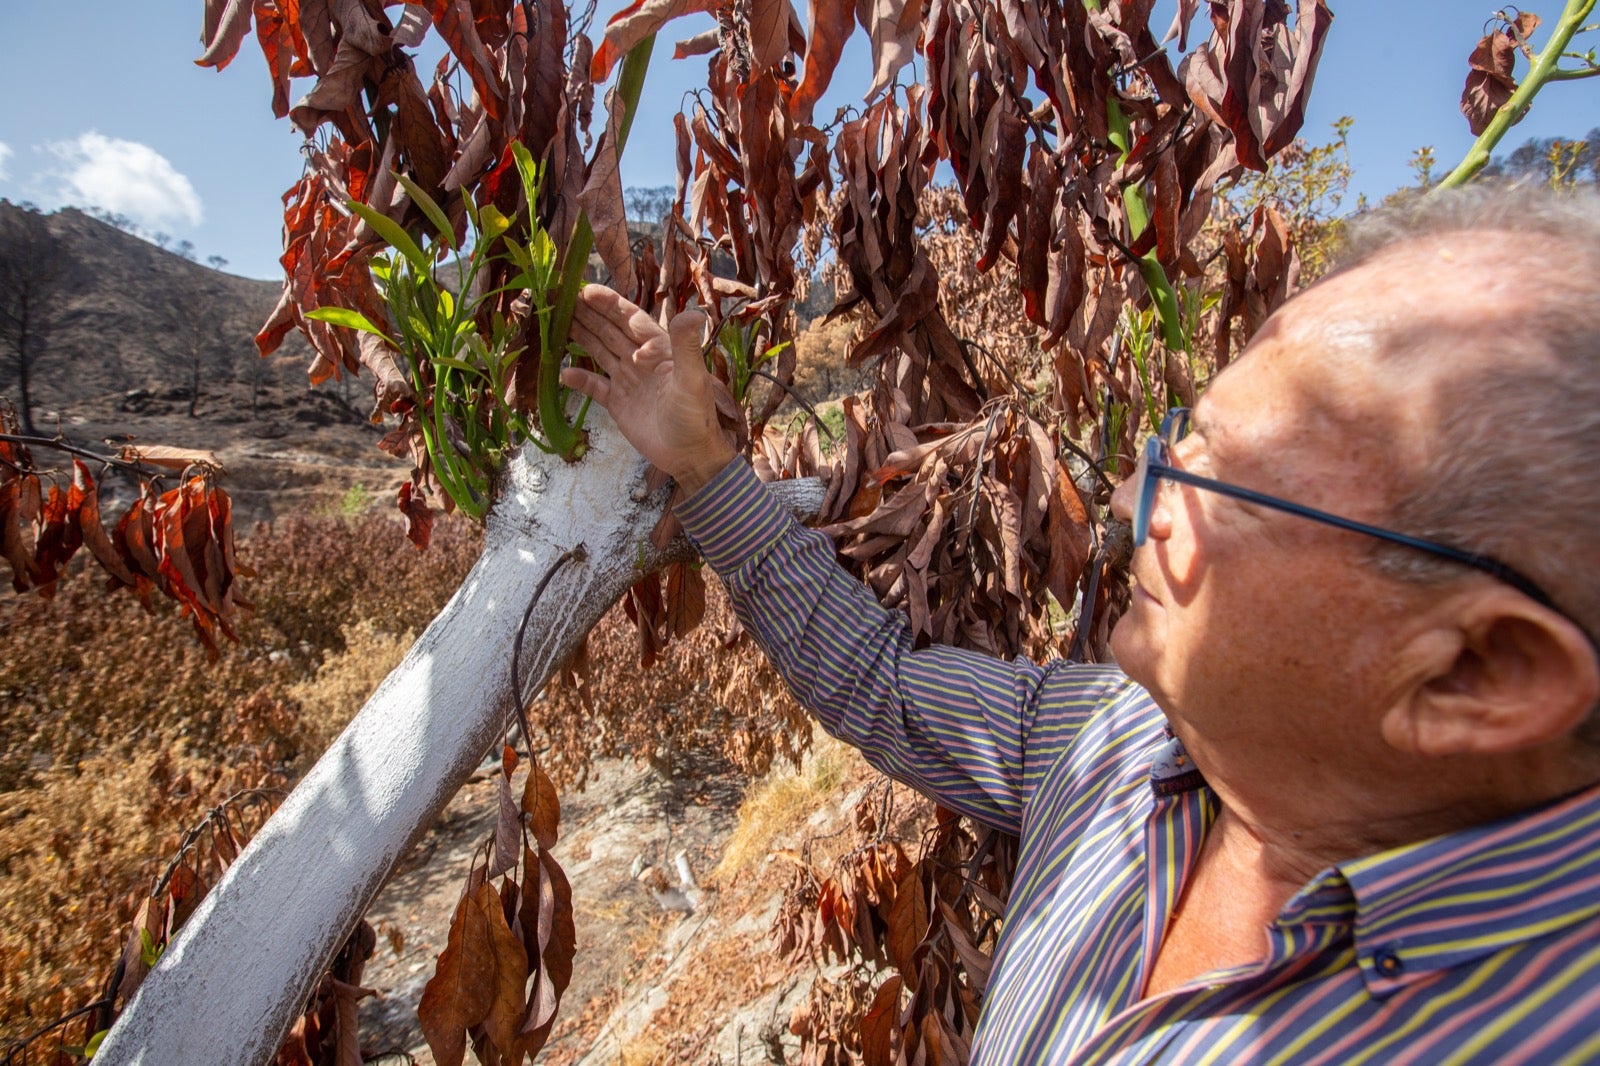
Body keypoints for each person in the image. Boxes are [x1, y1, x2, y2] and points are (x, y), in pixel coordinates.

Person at [562, 185, 1600, 1063]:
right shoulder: (1118, 743)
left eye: (1221, 483)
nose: (1120, 506)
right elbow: (880, 681)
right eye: (1174, 444)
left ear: (1477, 671)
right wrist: (701, 464)